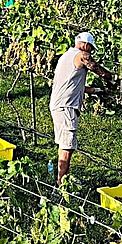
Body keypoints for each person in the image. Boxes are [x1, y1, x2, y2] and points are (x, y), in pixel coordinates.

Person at [49, 32, 114, 184]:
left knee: (65, 146)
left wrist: (96, 91)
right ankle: (61, 184)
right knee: (67, 147)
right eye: (91, 48)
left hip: (60, 105)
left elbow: (73, 85)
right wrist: (110, 78)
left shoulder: (66, 57)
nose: (91, 52)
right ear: (85, 45)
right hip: (66, 107)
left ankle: (63, 179)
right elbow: (93, 66)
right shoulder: (81, 55)